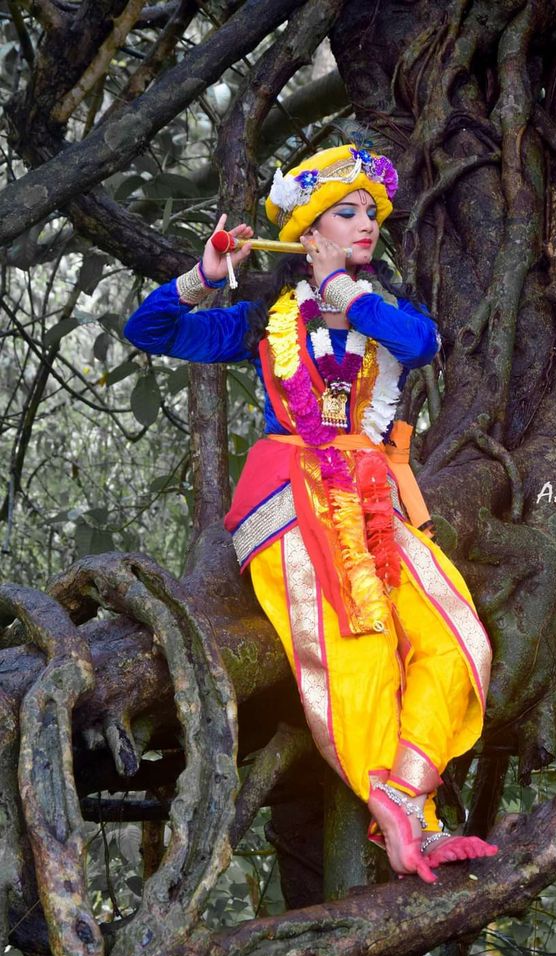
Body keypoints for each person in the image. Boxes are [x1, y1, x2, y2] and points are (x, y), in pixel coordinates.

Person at [124, 143, 496, 884]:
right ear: (307, 231)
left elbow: (423, 344)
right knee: (357, 650)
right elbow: (150, 332)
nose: (366, 225)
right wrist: (204, 275)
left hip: (374, 500)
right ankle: (402, 818)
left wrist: (349, 296)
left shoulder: (381, 310)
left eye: (372, 214)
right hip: (294, 494)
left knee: (460, 640)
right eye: (347, 213)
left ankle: (405, 788)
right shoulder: (268, 321)